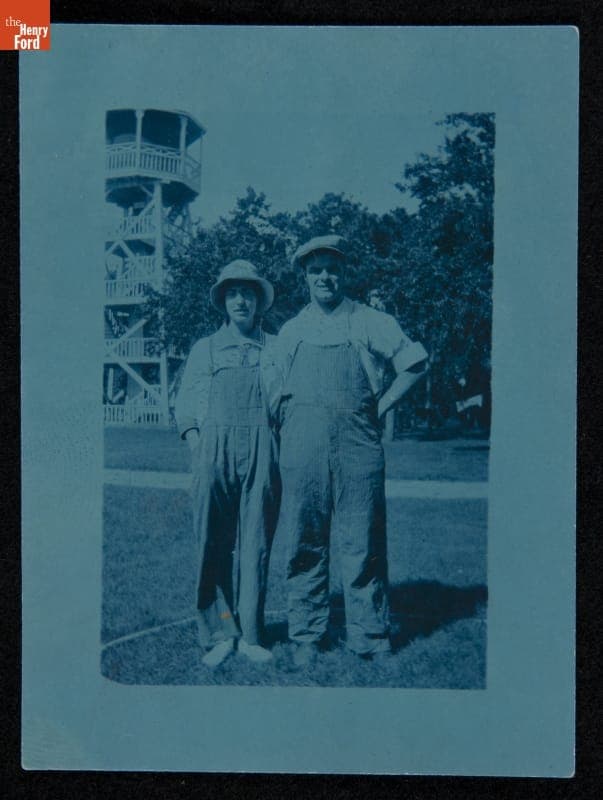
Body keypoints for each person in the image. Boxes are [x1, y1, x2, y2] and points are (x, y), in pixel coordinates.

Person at [271, 235, 428, 664]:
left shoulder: (369, 320)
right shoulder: (291, 331)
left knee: (362, 540)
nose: (325, 276)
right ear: (305, 275)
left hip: (359, 442)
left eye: (332, 268)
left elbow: (414, 363)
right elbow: (273, 395)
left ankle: (371, 636)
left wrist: (382, 405)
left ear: (344, 274)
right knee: (304, 539)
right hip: (302, 444)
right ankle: (305, 634)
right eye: (316, 269)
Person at [175, 260, 280, 668]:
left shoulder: (274, 348)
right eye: (233, 293)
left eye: (248, 293)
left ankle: (252, 635)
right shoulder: (206, 348)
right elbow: (186, 403)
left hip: (261, 448)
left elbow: (281, 402)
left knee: (255, 543)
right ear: (223, 300)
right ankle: (220, 631)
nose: (241, 300)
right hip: (213, 449)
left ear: (259, 302)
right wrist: (200, 447)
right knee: (212, 543)